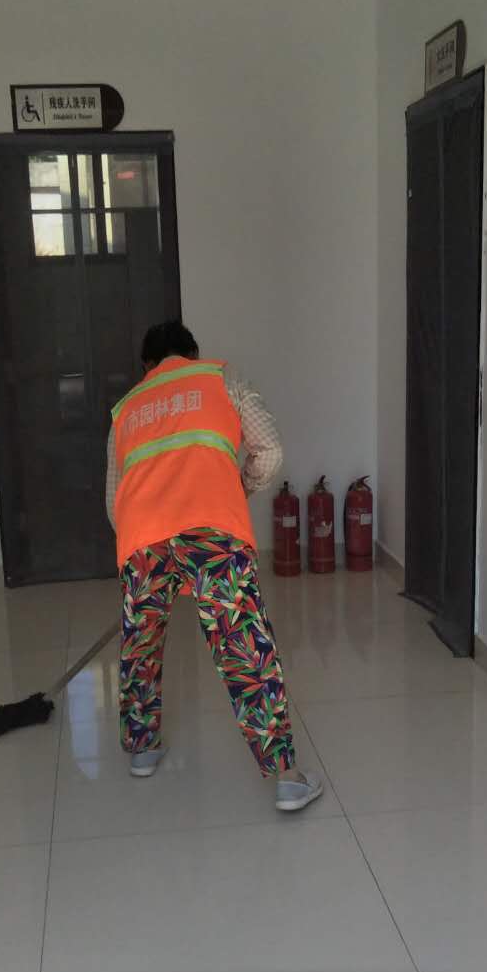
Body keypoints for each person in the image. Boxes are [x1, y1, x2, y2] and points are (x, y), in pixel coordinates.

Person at [105, 321, 323, 812]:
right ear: (192, 353)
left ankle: (142, 750)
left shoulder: (127, 408)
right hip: (213, 529)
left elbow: (113, 499)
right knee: (242, 644)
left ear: (147, 365)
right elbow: (270, 449)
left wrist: (144, 545)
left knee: (141, 644)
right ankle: (287, 779)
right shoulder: (221, 378)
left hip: (142, 539)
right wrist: (237, 490)